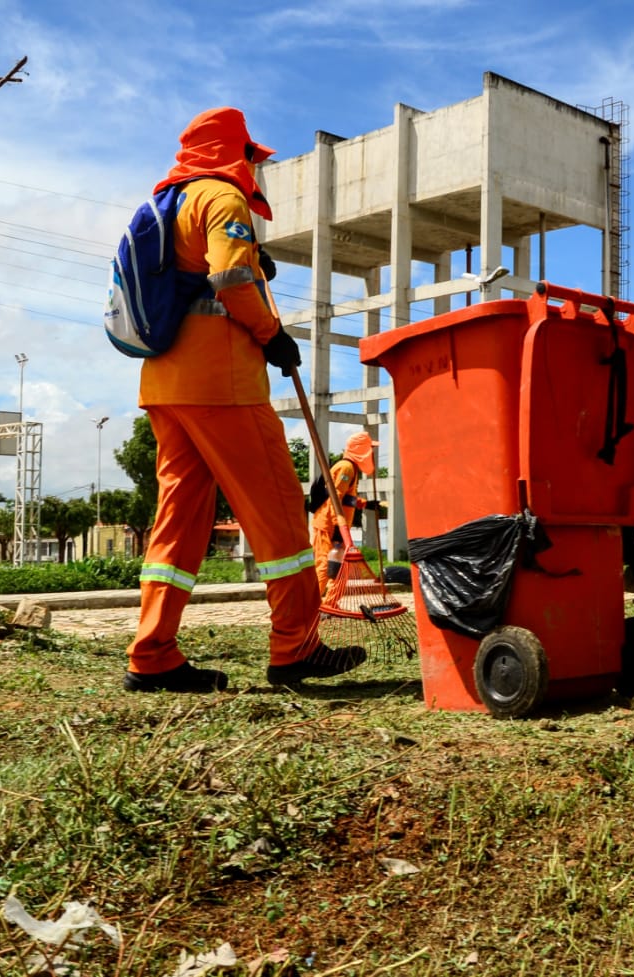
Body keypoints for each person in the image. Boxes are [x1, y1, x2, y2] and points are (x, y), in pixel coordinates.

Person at [123, 106, 365, 693]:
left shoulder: (174, 201)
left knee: (178, 522)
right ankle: (295, 647)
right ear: (234, 154)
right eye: (252, 158)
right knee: (280, 510)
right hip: (223, 385)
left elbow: (207, 268)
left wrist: (257, 262)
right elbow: (229, 279)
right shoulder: (220, 199)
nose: (255, 170)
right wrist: (272, 335)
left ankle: (152, 656)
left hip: (166, 387)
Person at [312, 431, 385, 596]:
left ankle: (330, 603)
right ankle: (313, 606)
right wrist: (338, 529)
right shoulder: (346, 468)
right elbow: (334, 497)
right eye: (369, 449)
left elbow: (345, 497)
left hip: (334, 524)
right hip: (330, 525)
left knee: (336, 565)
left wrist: (365, 504)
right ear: (361, 450)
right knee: (326, 565)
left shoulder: (350, 468)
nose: (371, 453)